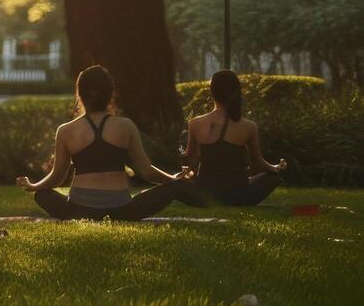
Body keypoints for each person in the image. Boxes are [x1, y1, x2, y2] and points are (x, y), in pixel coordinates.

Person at [17, 65, 193, 220]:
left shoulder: (65, 130)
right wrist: (173, 180)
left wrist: (33, 186)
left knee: (42, 195)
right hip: (123, 210)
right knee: (172, 189)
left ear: (80, 95)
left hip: (78, 210)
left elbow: (57, 177)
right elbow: (146, 170)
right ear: (110, 94)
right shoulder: (126, 126)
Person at [177, 70, 287, 206]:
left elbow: (190, 160)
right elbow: (257, 163)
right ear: (236, 92)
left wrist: (184, 157)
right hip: (239, 195)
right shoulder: (249, 126)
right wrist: (276, 168)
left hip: (206, 195)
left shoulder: (195, 123)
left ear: (212, 92)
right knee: (273, 177)